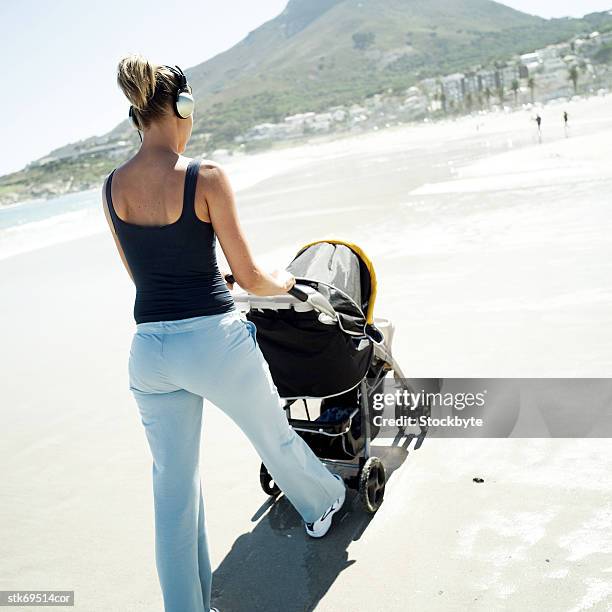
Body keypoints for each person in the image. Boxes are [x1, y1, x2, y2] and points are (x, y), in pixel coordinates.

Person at [102, 54, 346, 612]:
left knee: (173, 489)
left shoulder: (111, 188)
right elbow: (254, 277)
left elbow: (139, 273)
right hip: (213, 342)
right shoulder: (204, 177)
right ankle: (323, 505)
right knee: (274, 436)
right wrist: (284, 279)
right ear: (183, 107)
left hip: (150, 353)